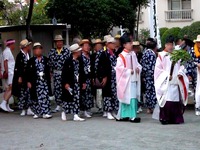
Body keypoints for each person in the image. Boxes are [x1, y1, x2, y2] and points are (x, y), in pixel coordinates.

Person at [154, 36, 189, 125]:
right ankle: (164, 118)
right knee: (166, 100)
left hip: (175, 81)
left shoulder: (176, 55)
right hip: (166, 83)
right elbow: (158, 70)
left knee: (175, 100)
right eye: (168, 44)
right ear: (165, 45)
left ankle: (175, 119)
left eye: (171, 44)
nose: (170, 47)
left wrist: (180, 72)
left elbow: (181, 66)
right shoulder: (161, 56)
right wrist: (166, 75)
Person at [116, 36, 142, 123]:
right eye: (129, 43)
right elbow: (119, 69)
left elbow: (137, 64)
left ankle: (132, 115)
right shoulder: (121, 56)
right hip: (126, 81)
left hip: (133, 79)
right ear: (124, 45)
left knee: (133, 97)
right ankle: (126, 115)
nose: (131, 45)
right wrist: (127, 71)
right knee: (127, 97)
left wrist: (138, 68)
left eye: (131, 43)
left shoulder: (133, 54)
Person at [60, 43, 86, 121]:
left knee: (76, 98)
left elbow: (82, 72)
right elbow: (64, 74)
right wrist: (65, 83)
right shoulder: (68, 61)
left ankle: (75, 114)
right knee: (68, 99)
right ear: (74, 52)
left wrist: (83, 82)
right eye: (78, 51)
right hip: (70, 82)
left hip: (77, 82)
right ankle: (64, 112)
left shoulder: (80, 60)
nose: (80, 52)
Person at [26, 43, 52, 119]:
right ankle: (37, 112)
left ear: (42, 50)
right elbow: (27, 72)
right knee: (35, 97)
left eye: (39, 48)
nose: (38, 50)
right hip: (35, 82)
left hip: (44, 81)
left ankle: (46, 112)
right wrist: (28, 81)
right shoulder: (31, 61)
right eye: (36, 49)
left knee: (45, 97)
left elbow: (49, 71)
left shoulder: (46, 59)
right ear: (33, 50)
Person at [48, 35, 71, 113]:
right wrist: (50, 71)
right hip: (56, 72)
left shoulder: (67, 51)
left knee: (65, 87)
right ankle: (58, 104)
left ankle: (65, 104)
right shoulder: (52, 51)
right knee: (57, 88)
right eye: (58, 42)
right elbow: (50, 63)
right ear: (55, 43)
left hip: (65, 72)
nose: (59, 43)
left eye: (61, 41)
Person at [12, 39, 34, 116]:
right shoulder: (19, 55)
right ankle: (23, 109)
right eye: (28, 45)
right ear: (25, 47)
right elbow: (18, 67)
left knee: (29, 93)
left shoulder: (28, 55)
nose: (30, 47)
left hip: (28, 77)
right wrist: (19, 77)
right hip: (22, 77)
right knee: (22, 94)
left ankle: (29, 108)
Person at [103, 37, 118, 120]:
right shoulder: (104, 53)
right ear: (108, 44)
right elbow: (101, 67)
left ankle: (113, 111)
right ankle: (108, 111)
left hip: (114, 77)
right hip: (108, 77)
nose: (114, 45)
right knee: (107, 95)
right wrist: (104, 77)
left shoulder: (114, 53)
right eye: (112, 43)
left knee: (114, 95)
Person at [141, 39, 157, 114]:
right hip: (151, 75)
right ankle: (152, 107)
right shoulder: (152, 54)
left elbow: (142, 64)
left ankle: (148, 107)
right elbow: (153, 66)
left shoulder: (145, 53)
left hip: (146, 75)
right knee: (152, 91)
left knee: (148, 92)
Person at [91, 39, 108, 111]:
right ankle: (99, 106)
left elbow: (106, 66)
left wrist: (105, 76)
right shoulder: (93, 55)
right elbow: (92, 67)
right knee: (96, 92)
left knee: (104, 92)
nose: (98, 47)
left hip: (103, 75)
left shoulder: (105, 54)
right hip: (96, 76)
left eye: (100, 45)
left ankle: (104, 107)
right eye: (97, 45)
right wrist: (92, 77)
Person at [0, 39, 15, 112]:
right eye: (13, 44)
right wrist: (6, 71)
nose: (14, 46)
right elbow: (5, 62)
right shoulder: (7, 51)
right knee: (10, 88)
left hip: (10, 72)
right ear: (11, 44)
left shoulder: (8, 51)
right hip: (9, 72)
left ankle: (7, 105)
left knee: (8, 89)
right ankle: (4, 103)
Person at [79, 39, 94, 118]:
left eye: (88, 45)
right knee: (83, 94)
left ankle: (88, 109)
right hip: (82, 77)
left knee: (89, 94)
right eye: (86, 45)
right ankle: (83, 110)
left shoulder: (90, 56)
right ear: (81, 47)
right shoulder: (80, 56)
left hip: (89, 77)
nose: (87, 47)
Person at [187, 35, 200, 115]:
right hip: (195, 72)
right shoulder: (192, 50)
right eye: (198, 42)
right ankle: (197, 106)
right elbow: (189, 62)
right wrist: (189, 74)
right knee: (197, 90)